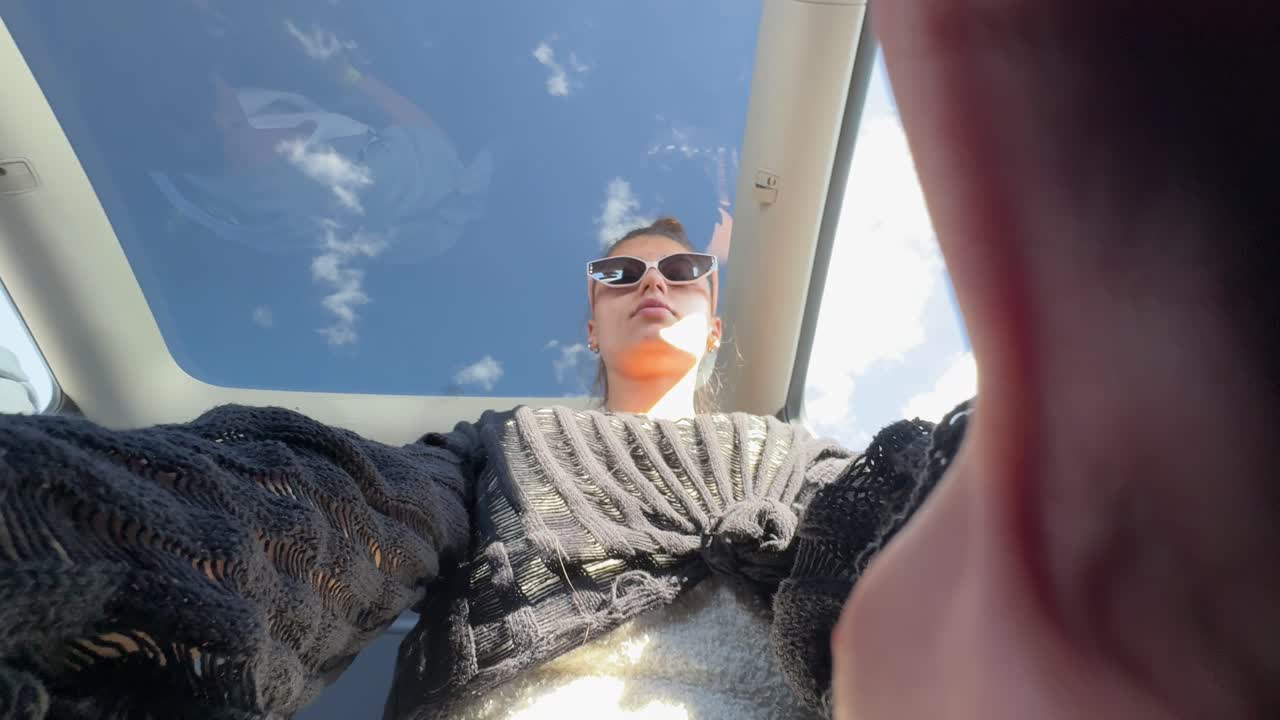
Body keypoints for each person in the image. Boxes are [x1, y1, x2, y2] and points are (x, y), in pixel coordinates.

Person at [2, 0, 1278, 718]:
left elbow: (905, 504)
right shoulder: (497, 453)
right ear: (591, 319)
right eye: (619, 275)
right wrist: (75, 542)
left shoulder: (806, 463)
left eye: (680, 273)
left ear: (713, 318)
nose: (651, 285)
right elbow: (328, 511)